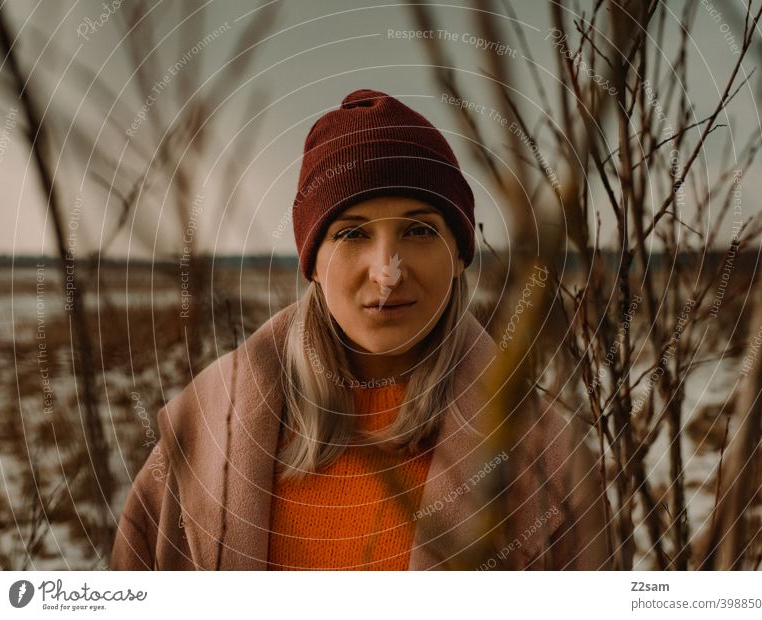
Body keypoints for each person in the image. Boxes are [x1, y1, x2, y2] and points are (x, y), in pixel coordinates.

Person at [110, 88, 611, 570]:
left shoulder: (543, 455)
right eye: (352, 233)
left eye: (419, 230)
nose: (386, 271)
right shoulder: (206, 431)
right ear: (312, 262)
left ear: (459, 253)